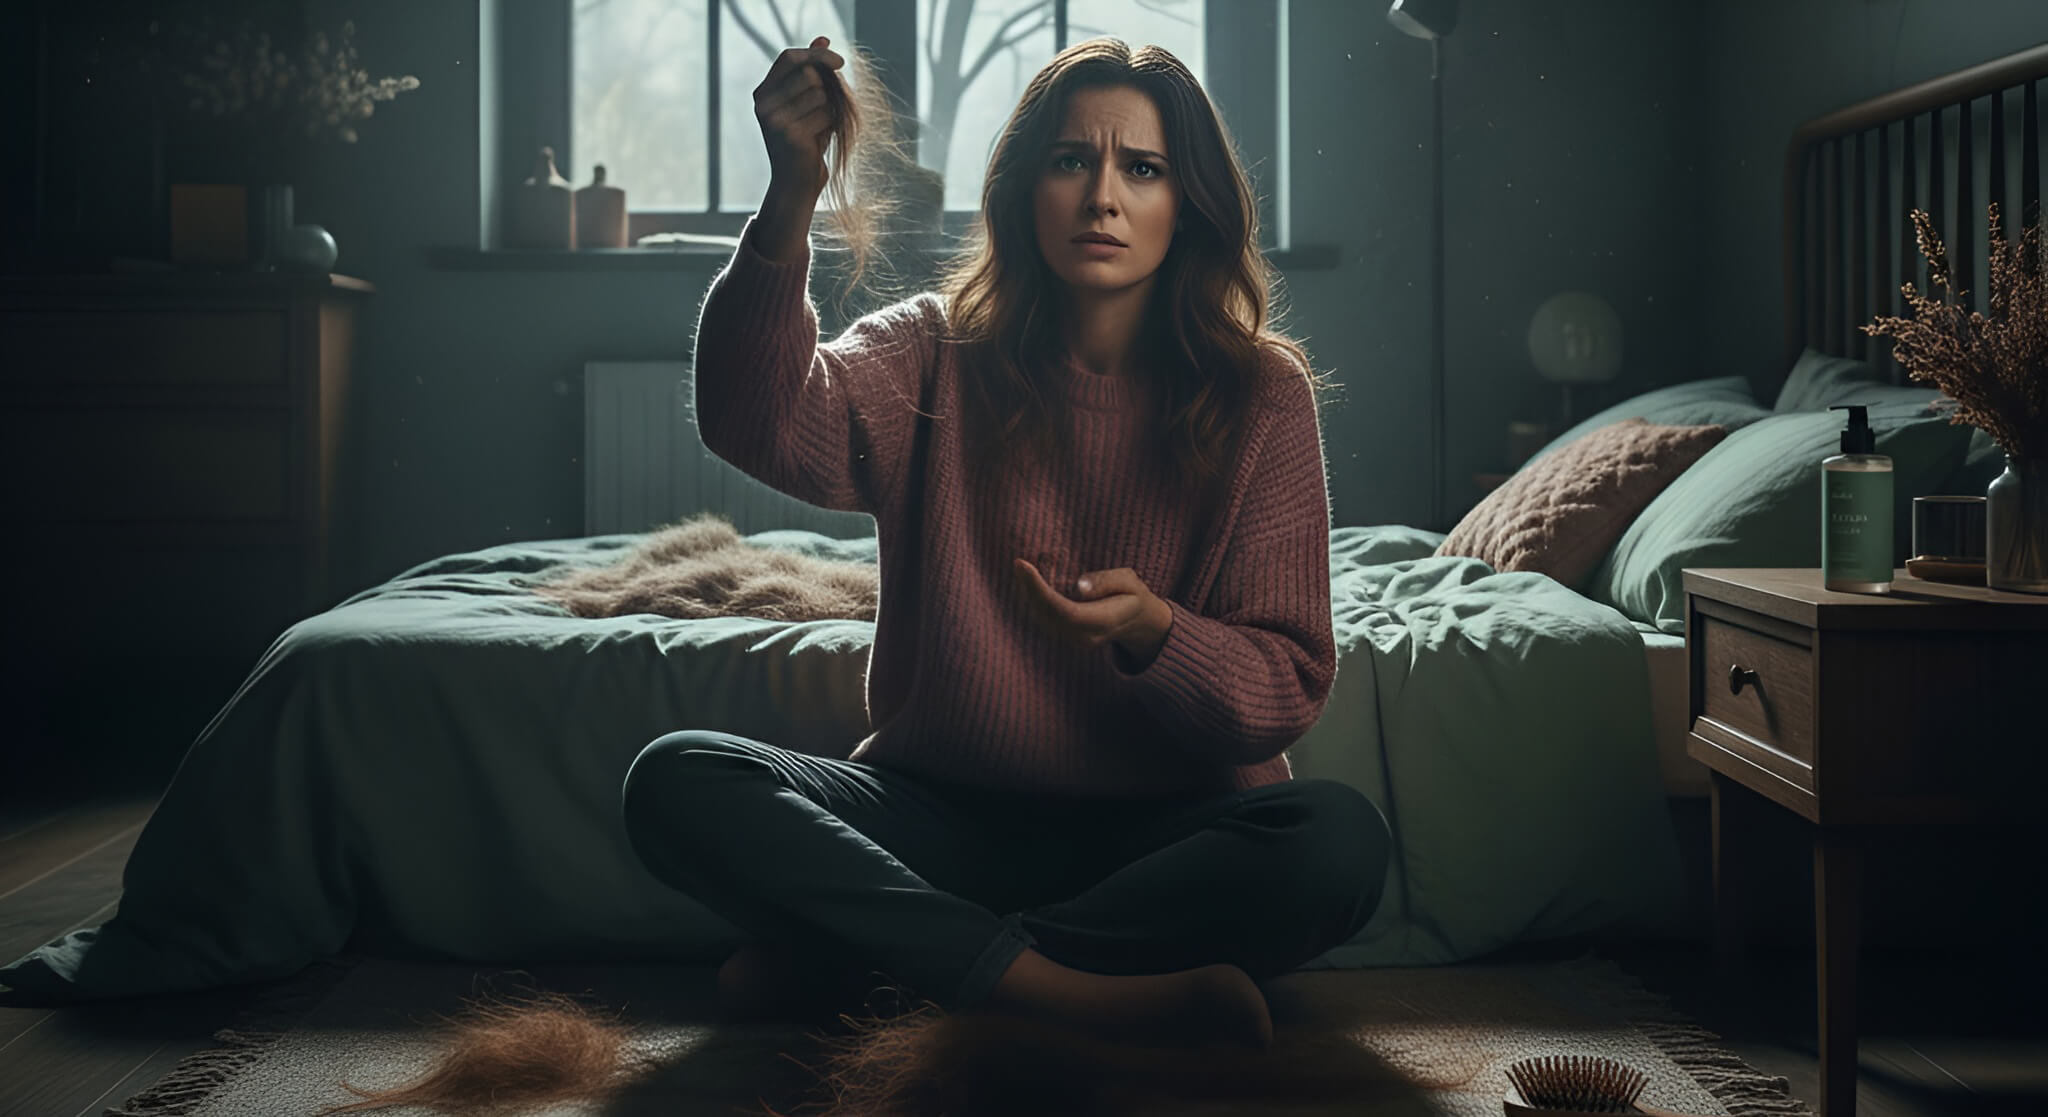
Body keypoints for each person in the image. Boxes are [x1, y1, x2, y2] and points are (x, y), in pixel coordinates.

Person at [617, 34, 1392, 1053]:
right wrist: (788, 201)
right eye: (1071, 161)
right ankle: (1060, 991)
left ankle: (885, 965)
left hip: (1164, 830)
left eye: (1142, 168)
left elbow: (1283, 688)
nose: (1101, 197)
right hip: (938, 814)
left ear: (1187, 202)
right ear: (1024, 187)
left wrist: (1158, 632)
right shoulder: (932, 349)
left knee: (1335, 842)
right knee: (675, 778)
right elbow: (753, 419)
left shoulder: (1261, 395)